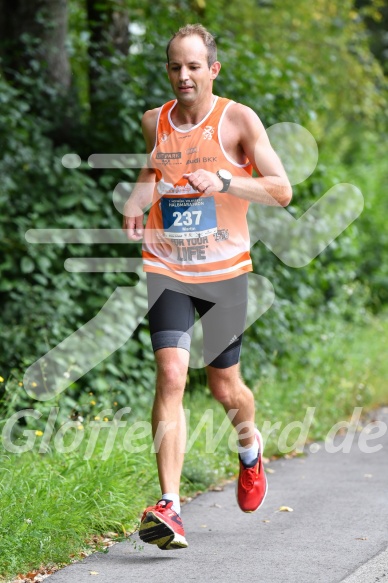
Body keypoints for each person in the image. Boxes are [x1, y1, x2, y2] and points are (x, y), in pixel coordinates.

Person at [122, 24, 292, 550]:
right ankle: (170, 506)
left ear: (212, 70)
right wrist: (137, 198)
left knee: (223, 386)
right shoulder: (155, 122)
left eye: (194, 66)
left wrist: (223, 181)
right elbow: (155, 169)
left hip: (224, 272)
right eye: (175, 66)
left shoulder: (238, 120)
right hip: (168, 265)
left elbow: (281, 190)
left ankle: (249, 447)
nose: (184, 75)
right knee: (171, 373)